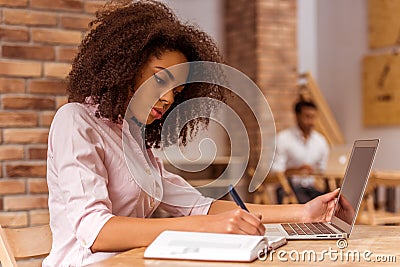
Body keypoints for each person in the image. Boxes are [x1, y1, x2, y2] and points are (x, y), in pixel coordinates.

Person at [43, 1, 339, 266]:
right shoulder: (76, 122)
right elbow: (96, 231)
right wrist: (203, 227)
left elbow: (201, 206)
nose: (169, 98)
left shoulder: (135, 140)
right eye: (160, 79)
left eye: (178, 91)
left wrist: (303, 213)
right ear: (125, 67)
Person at [272, 100, 330, 204]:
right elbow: (276, 172)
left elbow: (323, 168)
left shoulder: (320, 141)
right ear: (297, 116)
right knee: (308, 205)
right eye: (307, 117)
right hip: (289, 188)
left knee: (332, 201)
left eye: (313, 117)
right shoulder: (283, 138)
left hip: (312, 188)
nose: (311, 121)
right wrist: (297, 170)